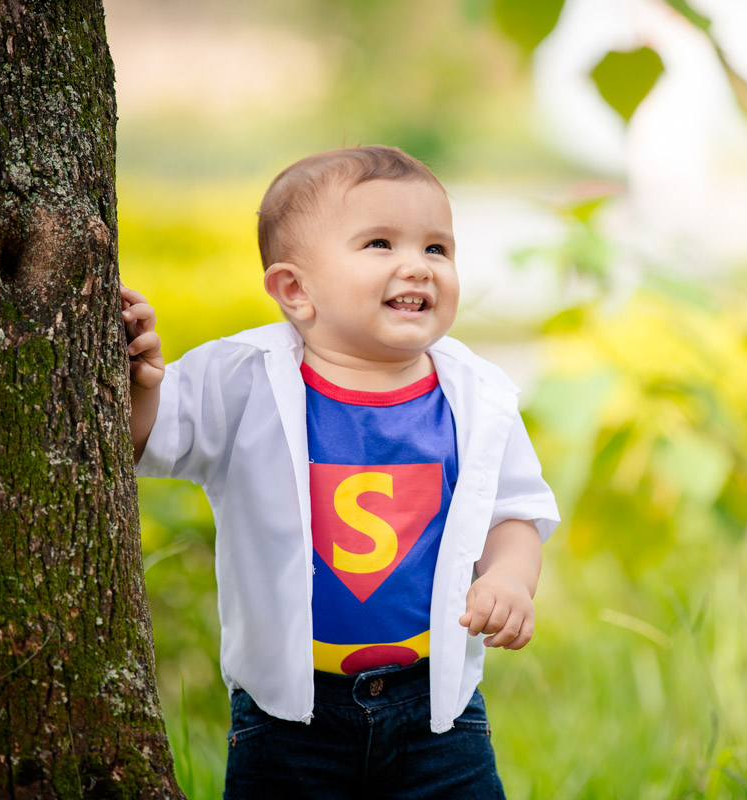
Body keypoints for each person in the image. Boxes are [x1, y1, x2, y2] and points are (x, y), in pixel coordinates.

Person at [121, 145, 559, 799]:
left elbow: (513, 509)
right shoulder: (244, 378)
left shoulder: (477, 394)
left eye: (437, 248)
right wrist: (140, 380)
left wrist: (509, 578)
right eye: (380, 243)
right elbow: (144, 441)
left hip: (437, 714)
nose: (418, 265)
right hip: (289, 720)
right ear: (295, 290)